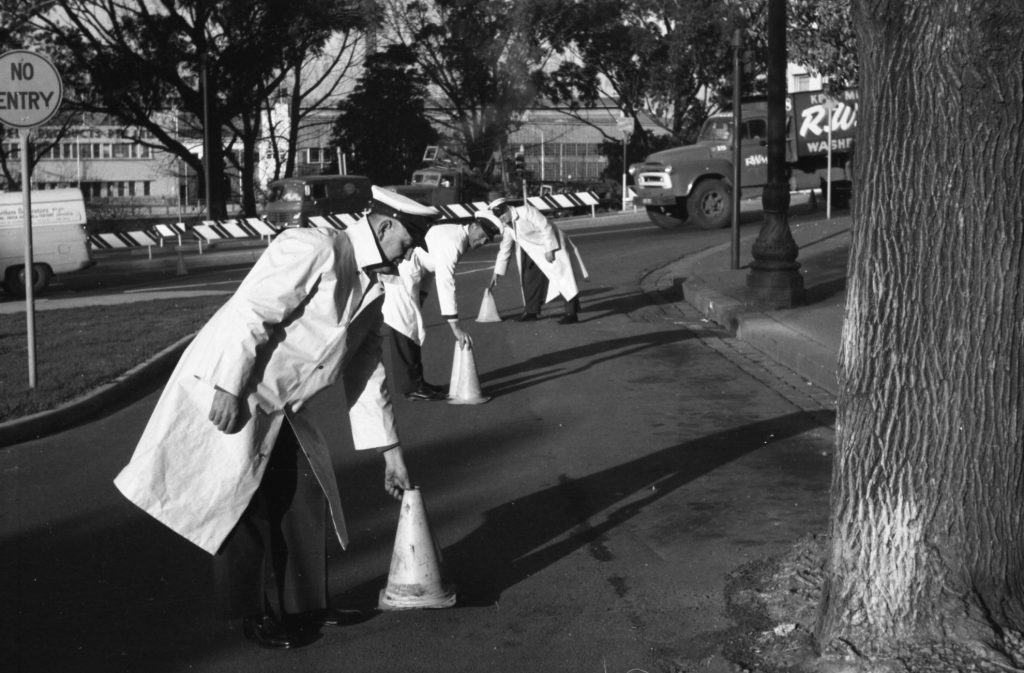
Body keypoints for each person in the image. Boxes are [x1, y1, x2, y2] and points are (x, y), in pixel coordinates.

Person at [113, 186, 440, 650]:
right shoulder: (316, 247)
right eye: (408, 242)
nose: (409, 254)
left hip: (282, 405)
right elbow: (253, 311)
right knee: (237, 504)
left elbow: (367, 374)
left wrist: (392, 453)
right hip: (233, 388)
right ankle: (253, 613)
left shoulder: (373, 287)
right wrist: (229, 385)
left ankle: (307, 604)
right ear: (385, 226)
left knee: (305, 493)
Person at [382, 216, 501, 401]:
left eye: (487, 240)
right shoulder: (453, 242)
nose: (483, 241)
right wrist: (456, 327)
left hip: (412, 274)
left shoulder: (459, 236)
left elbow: (432, 265)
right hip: (402, 274)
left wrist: (421, 295)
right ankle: (412, 386)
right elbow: (445, 280)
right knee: (404, 328)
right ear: (474, 226)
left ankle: (416, 383)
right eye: (482, 235)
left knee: (411, 328)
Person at [480, 195, 587, 324]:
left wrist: (549, 249)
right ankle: (531, 311)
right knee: (529, 277)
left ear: (508, 208)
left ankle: (572, 313)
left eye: (503, 214)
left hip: (553, 244)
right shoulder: (506, 227)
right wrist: (497, 272)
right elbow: (505, 249)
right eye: (499, 217)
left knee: (564, 277)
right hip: (534, 252)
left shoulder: (526, 211)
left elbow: (546, 226)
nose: (502, 218)